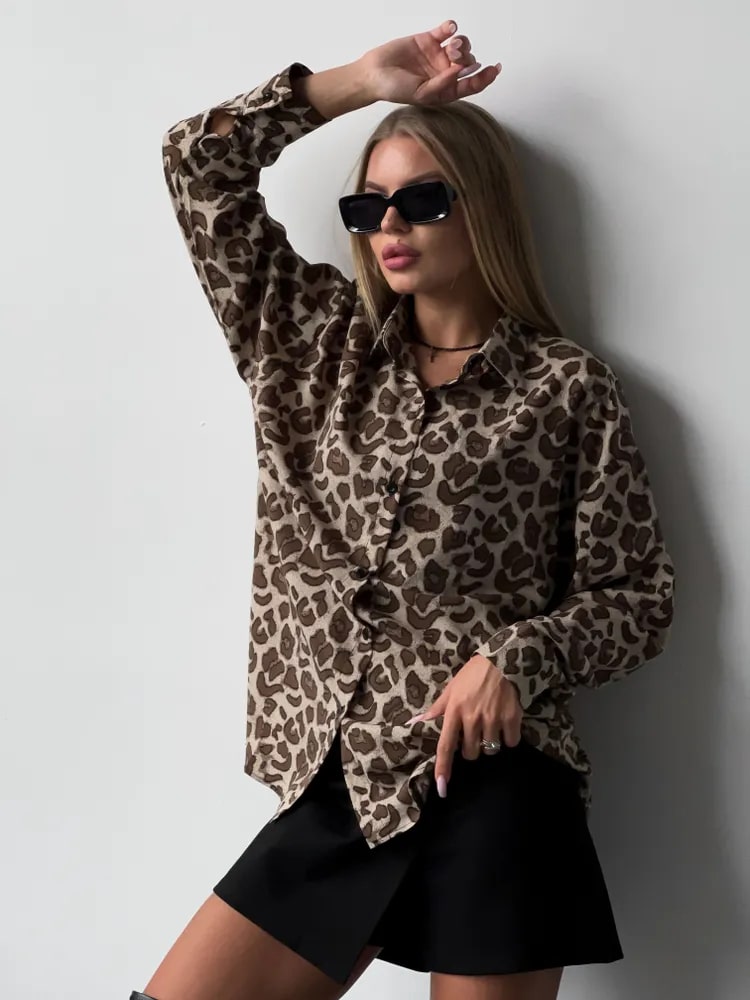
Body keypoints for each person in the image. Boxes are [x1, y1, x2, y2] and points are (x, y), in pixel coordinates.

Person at [132, 18, 675, 1000]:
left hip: (500, 782)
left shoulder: (565, 389)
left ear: (484, 208)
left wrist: (516, 657)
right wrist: (356, 83)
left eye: (423, 200)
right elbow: (195, 165)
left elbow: (638, 594)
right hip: (341, 784)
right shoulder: (308, 348)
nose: (390, 225)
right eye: (369, 204)